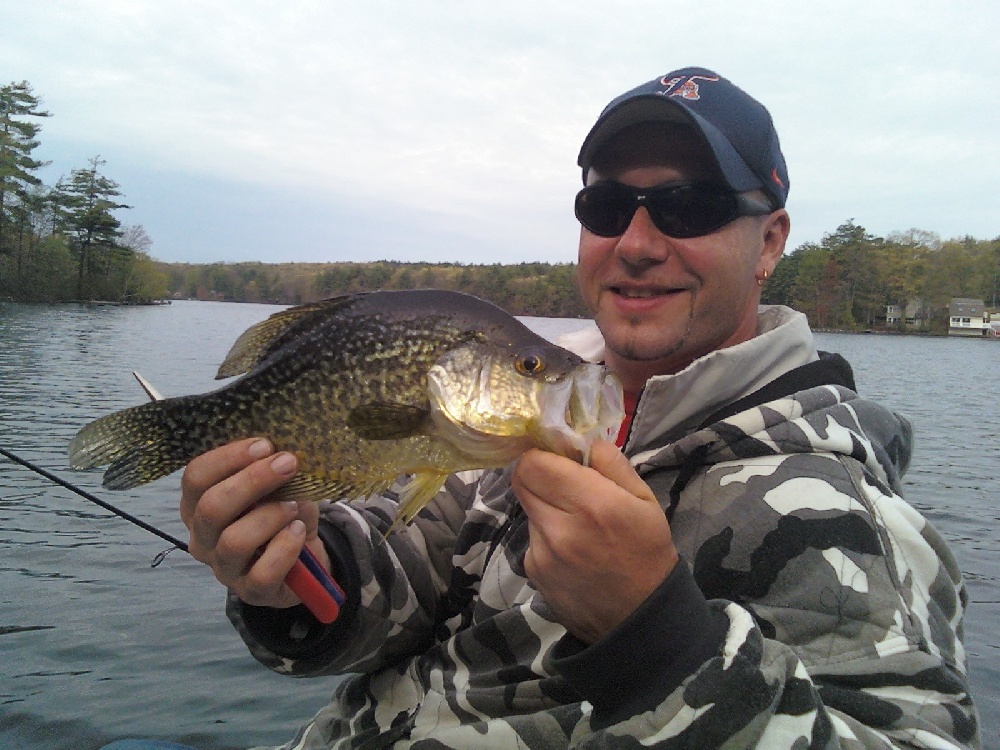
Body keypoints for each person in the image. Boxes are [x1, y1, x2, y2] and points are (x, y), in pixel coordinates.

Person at [107, 66, 981, 749]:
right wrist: (288, 564)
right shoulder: (521, 423)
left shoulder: (838, 512)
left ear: (770, 243)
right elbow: (388, 587)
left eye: (689, 206)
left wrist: (656, 638)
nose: (637, 243)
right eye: (607, 205)